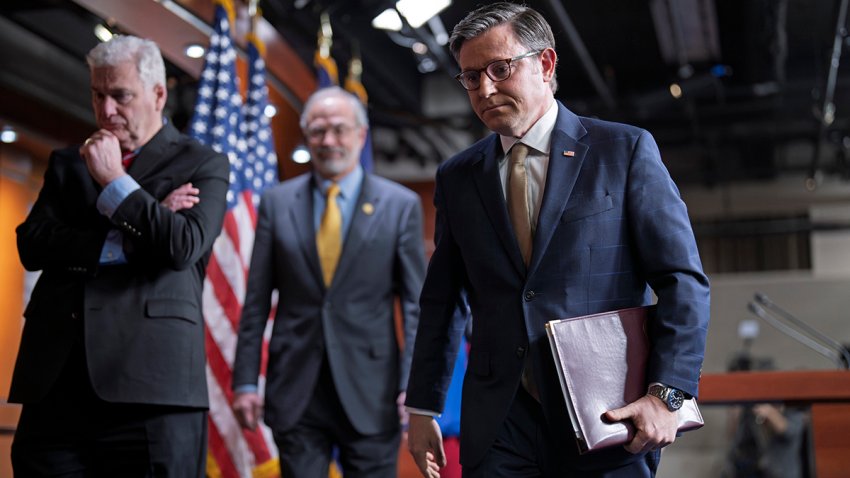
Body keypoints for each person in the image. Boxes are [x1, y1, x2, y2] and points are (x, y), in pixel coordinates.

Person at [405, 3, 711, 477]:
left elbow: (682, 281)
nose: (484, 89)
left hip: (607, 416)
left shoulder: (623, 151)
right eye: (470, 77)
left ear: (545, 64)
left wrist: (667, 393)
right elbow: (443, 303)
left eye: (499, 69)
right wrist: (423, 406)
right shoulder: (457, 177)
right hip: (500, 423)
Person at [9, 35, 230, 476]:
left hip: (153, 390)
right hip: (57, 385)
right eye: (97, 95)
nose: (106, 110)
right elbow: (32, 245)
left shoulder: (202, 163)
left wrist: (115, 183)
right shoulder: (68, 163)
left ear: (158, 94)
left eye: (120, 95)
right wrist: (131, 236)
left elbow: (182, 246)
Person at [231, 86, 426, 477]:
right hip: (296, 389)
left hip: (372, 392)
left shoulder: (400, 205)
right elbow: (255, 301)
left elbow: (415, 305)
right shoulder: (276, 203)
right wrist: (246, 382)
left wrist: (414, 384)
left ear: (360, 134)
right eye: (318, 131)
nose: (329, 141)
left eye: (339, 129)